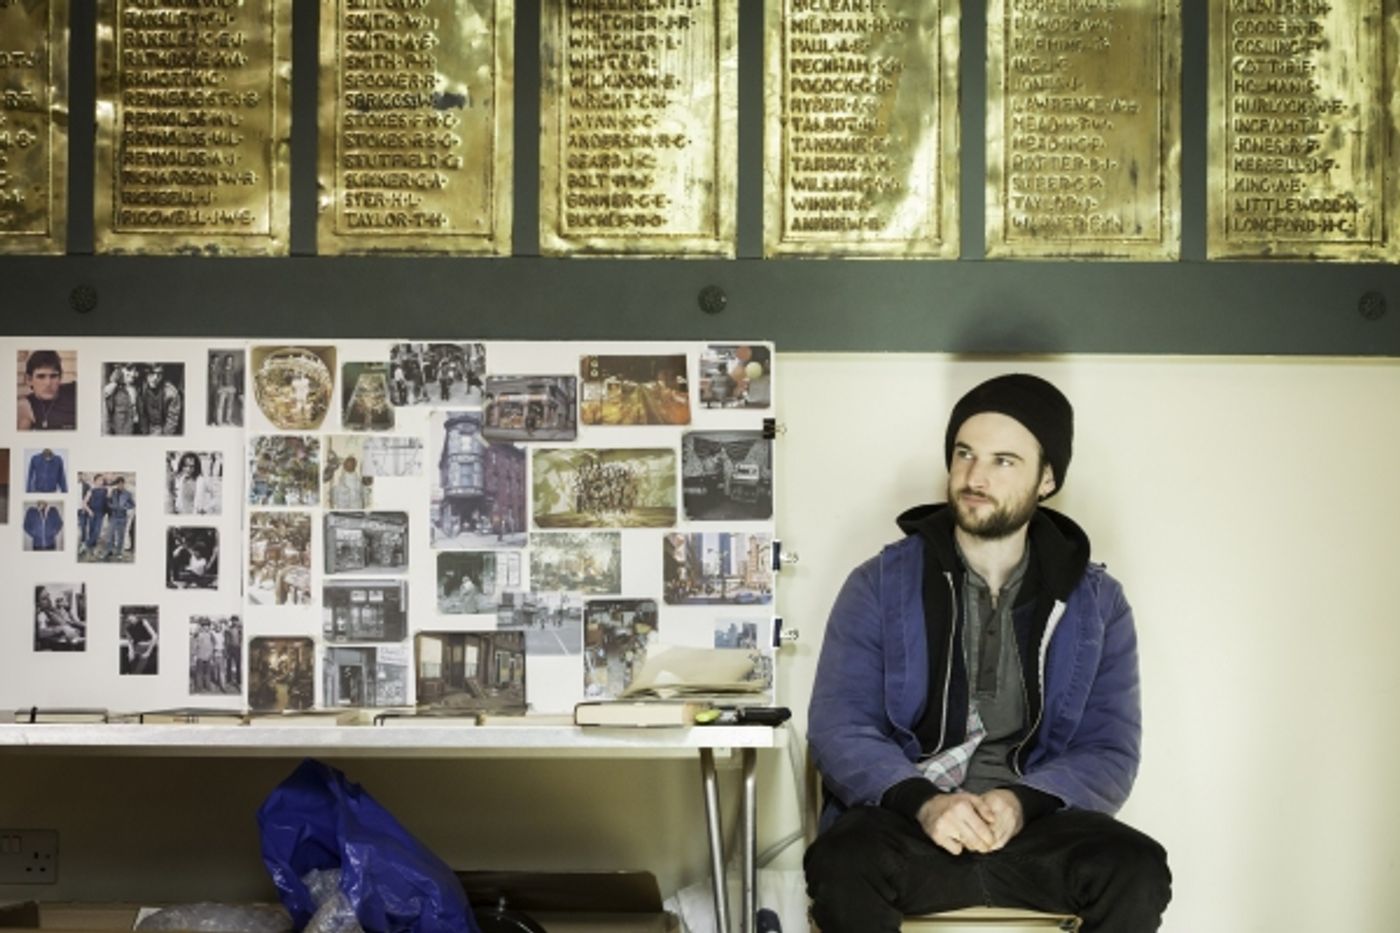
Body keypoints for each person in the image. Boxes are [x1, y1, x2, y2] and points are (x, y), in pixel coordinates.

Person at [804, 373, 1172, 932]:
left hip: (1031, 831)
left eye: (1005, 460)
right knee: (841, 861)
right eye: (964, 454)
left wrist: (1021, 803)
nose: (975, 477)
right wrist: (926, 803)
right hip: (906, 827)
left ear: (1047, 478)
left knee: (1136, 869)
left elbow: (1110, 748)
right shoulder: (879, 584)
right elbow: (839, 727)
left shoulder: (1098, 603)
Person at [18, 350, 77, 431]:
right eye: (41, 376)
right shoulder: (26, 406)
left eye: (53, 376)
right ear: (29, 380)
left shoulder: (74, 392)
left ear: (60, 378)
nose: (48, 383)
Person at [139, 366, 183, 435]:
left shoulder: (171, 393)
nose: (155, 378)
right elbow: (143, 416)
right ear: (146, 374)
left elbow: (171, 422)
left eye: (159, 374)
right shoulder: (142, 389)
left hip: (164, 430)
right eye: (152, 373)